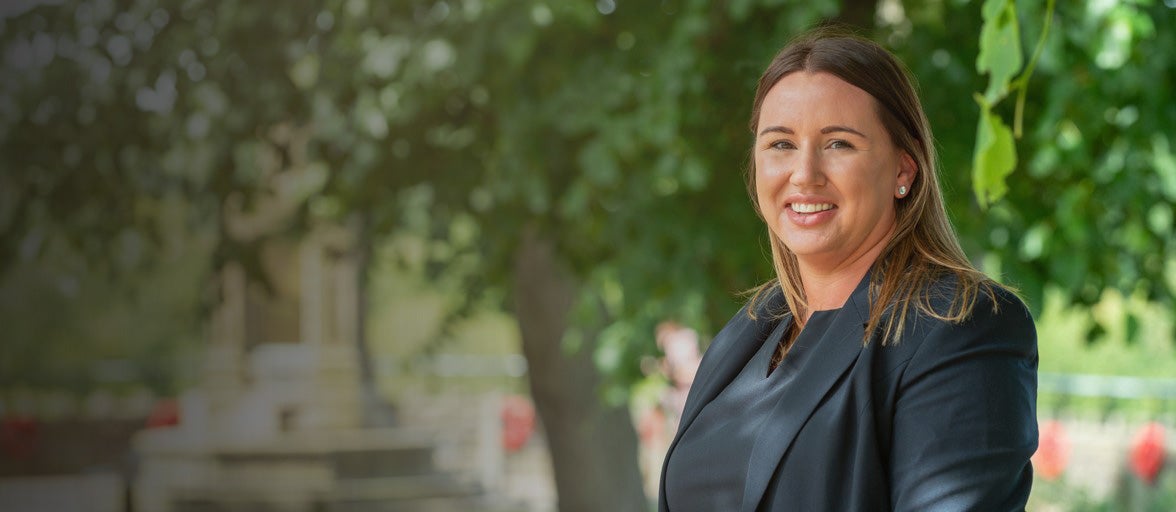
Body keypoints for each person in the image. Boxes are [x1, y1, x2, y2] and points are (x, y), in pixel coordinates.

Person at [658, 28, 1038, 511]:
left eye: (838, 144)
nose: (804, 173)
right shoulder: (751, 330)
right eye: (780, 145)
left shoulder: (962, 326)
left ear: (903, 169)